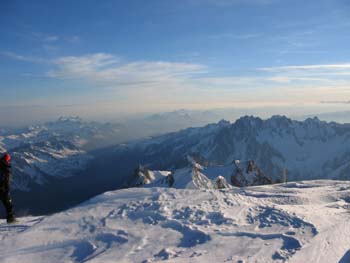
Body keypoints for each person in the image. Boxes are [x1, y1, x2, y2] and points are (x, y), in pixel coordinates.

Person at [0, 153, 15, 223]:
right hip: (2, 189)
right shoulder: (6, 168)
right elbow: (7, 180)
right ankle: (11, 219)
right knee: (8, 204)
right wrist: (7, 190)